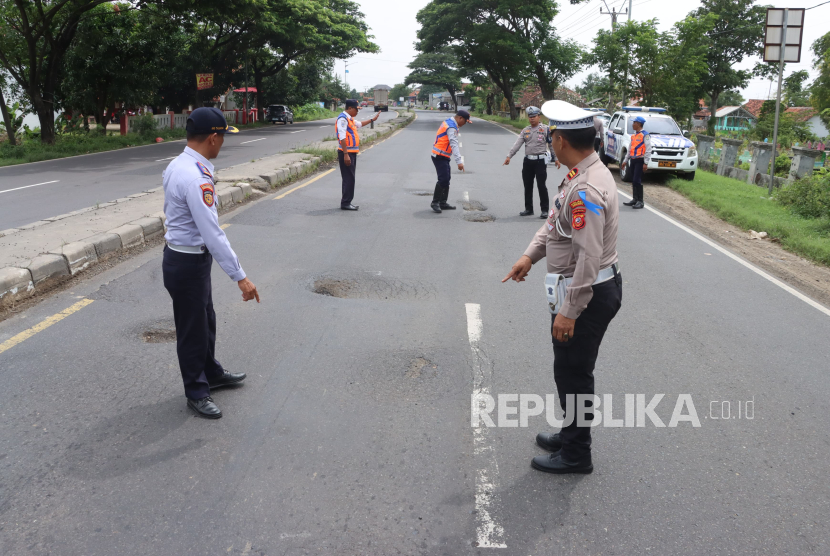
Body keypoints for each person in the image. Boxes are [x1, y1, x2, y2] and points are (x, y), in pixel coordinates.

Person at [502, 100, 622, 474]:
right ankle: (570, 432)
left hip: (584, 294)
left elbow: (588, 256)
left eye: (554, 135)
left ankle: (576, 453)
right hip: (583, 288)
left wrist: (570, 311)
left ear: (562, 141)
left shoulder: (585, 189)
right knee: (567, 370)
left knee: (574, 373)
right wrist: (530, 255)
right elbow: (556, 224)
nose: (551, 140)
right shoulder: (580, 173)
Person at [162, 107, 261, 419]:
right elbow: (213, 234)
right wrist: (240, 277)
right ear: (214, 138)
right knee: (193, 330)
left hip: (188, 259)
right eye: (223, 139)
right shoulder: (195, 178)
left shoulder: (181, 164)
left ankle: (211, 373)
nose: (222, 145)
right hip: (188, 262)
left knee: (206, 320)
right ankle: (196, 391)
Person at [503, 106, 560, 219]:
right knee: (527, 186)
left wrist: (556, 158)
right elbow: (517, 144)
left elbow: (551, 145)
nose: (532, 119)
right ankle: (528, 209)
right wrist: (509, 156)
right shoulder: (525, 130)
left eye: (534, 116)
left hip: (540, 162)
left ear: (539, 117)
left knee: (541, 185)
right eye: (530, 117)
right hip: (528, 161)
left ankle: (544, 210)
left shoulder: (545, 129)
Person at [336, 99, 380, 210]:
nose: (357, 112)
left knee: (349, 178)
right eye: (356, 109)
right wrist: (345, 154)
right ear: (350, 108)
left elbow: (359, 124)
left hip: (351, 152)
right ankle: (345, 203)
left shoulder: (350, 118)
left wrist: (372, 119)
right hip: (347, 153)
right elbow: (342, 137)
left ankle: (347, 201)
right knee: (348, 178)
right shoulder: (343, 119)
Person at [431, 109, 472, 213]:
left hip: (443, 155)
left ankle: (443, 202)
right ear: (460, 118)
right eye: (465, 121)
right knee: (443, 179)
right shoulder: (451, 127)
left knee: (447, 178)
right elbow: (454, 144)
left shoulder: (450, 122)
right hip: (439, 155)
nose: (464, 124)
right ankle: (435, 202)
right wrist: (459, 161)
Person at [624, 115, 650, 209]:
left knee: (637, 180)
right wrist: (625, 160)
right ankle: (635, 199)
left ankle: (640, 201)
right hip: (633, 160)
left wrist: (646, 162)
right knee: (633, 179)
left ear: (638, 124)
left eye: (634, 123)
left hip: (640, 160)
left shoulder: (645, 135)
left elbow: (648, 149)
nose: (632, 124)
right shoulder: (634, 136)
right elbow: (630, 149)